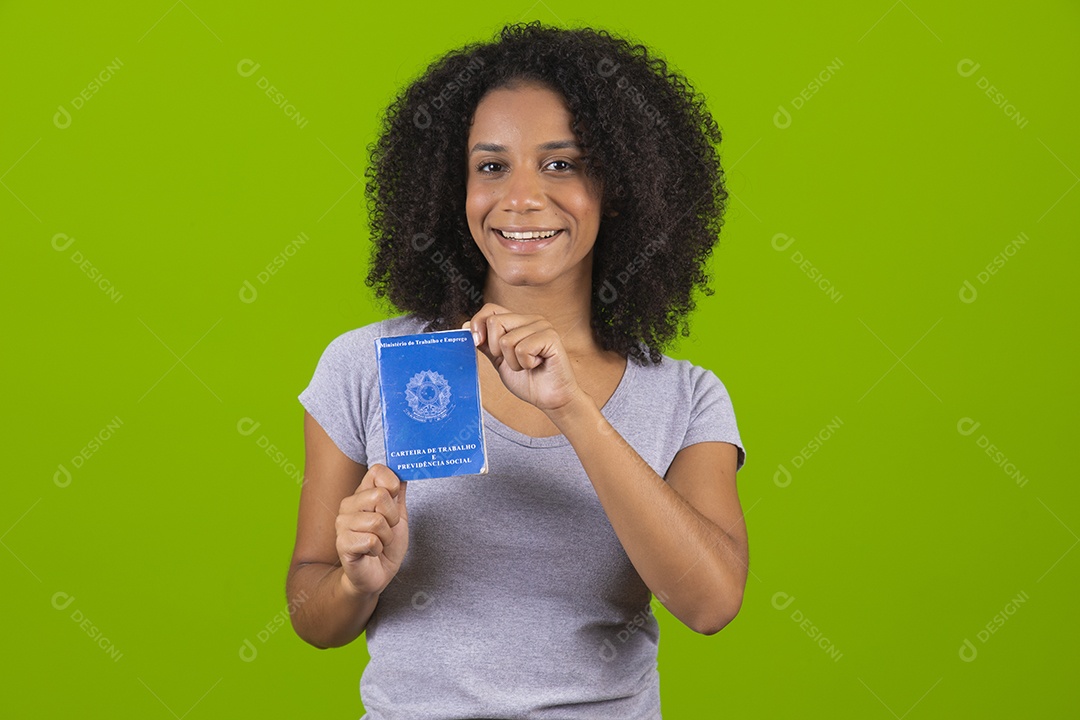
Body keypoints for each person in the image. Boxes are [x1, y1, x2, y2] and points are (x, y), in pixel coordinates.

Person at [287, 21, 748, 720]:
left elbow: (711, 604)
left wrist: (572, 408)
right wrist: (357, 582)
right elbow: (312, 614)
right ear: (455, 187)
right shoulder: (366, 365)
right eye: (492, 166)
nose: (522, 197)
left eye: (561, 164)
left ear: (619, 186)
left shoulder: (685, 396)